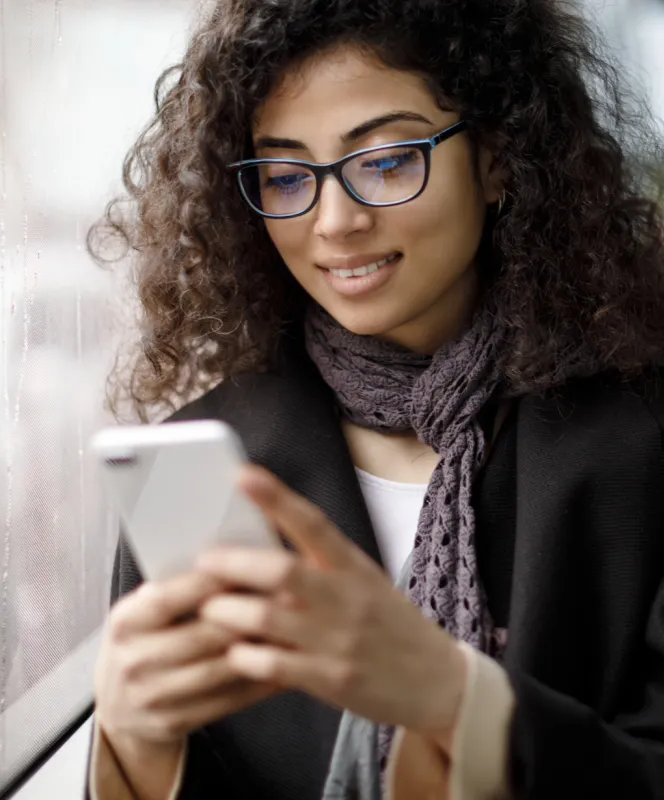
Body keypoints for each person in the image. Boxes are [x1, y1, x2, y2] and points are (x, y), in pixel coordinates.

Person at [86, 0, 664, 797]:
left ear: (496, 158)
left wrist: (456, 700)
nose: (335, 221)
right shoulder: (203, 461)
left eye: (388, 161)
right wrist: (136, 747)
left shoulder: (641, 433)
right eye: (286, 176)